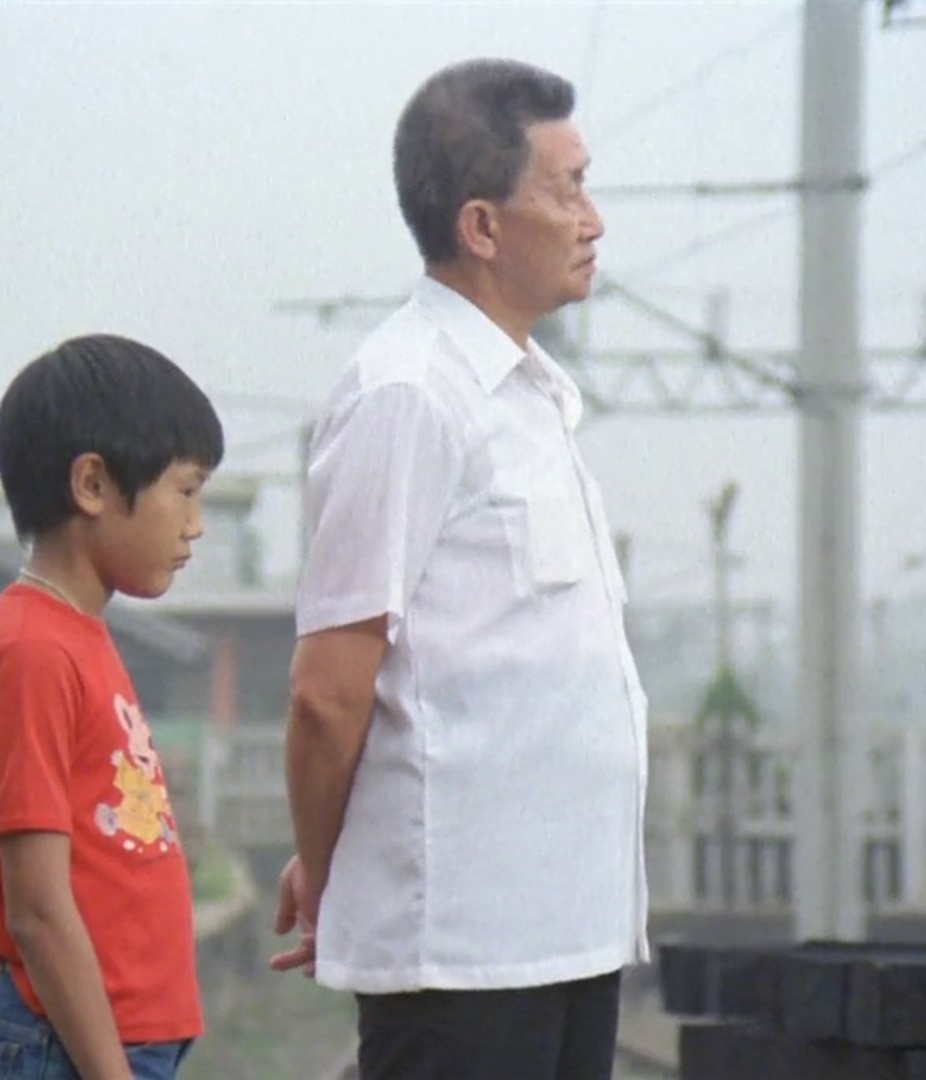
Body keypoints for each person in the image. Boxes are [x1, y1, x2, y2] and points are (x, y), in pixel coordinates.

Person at [271, 57, 649, 1079]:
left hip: (568, 925)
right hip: (461, 946)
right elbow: (327, 692)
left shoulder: (532, 399)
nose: (593, 220)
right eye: (567, 191)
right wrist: (331, 867)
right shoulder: (408, 394)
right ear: (481, 226)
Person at [0, 334, 222, 1080]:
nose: (196, 524)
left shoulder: (78, 637)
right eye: (186, 491)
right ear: (93, 484)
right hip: (61, 1052)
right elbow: (37, 909)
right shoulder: (32, 652)